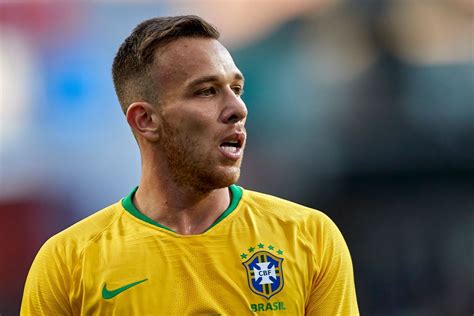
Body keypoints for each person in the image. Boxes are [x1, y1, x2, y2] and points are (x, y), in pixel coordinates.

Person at [21, 15, 358, 315]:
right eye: (206, 92)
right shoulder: (68, 263)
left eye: (236, 88)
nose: (238, 109)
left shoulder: (309, 238)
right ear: (145, 120)